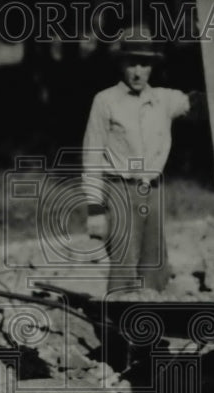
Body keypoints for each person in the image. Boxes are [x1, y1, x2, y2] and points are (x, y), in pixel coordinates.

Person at [81, 26, 193, 294]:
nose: (138, 71)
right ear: (121, 64)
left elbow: (204, 102)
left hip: (153, 190)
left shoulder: (164, 99)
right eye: (132, 63)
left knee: (154, 264)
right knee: (124, 263)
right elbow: (92, 154)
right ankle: (120, 329)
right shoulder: (106, 101)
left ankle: (151, 327)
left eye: (144, 64)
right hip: (121, 190)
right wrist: (95, 208)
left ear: (152, 66)